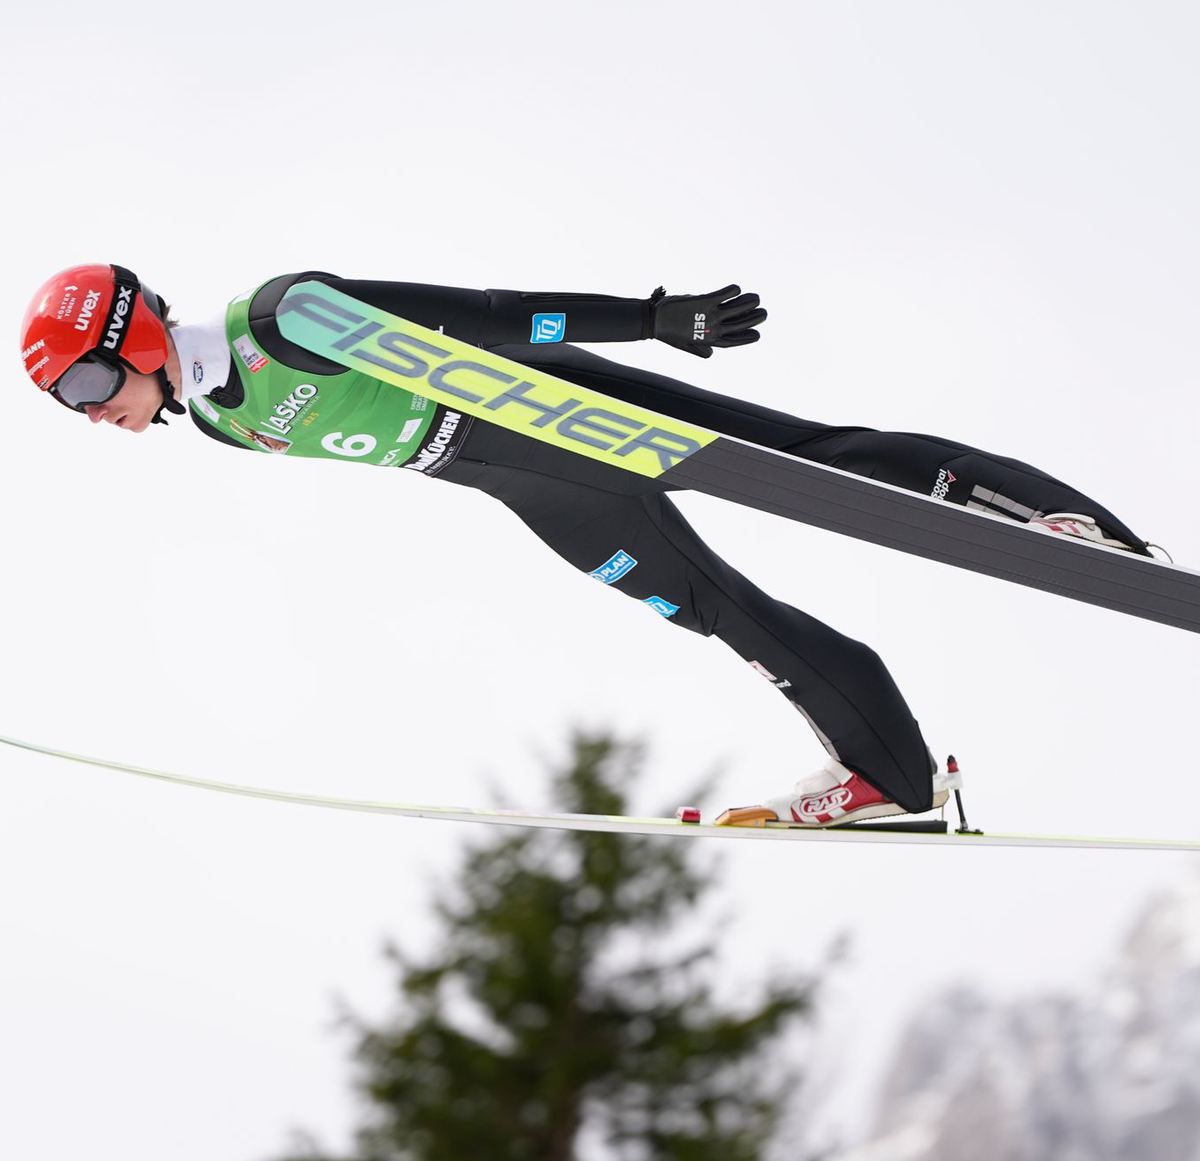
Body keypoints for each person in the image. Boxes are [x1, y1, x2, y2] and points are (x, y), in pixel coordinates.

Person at [19, 264, 1147, 828]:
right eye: (64, 402)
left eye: (83, 380)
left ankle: (1054, 521)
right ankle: (891, 775)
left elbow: (483, 316)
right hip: (510, 481)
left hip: (540, 408)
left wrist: (649, 318)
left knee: (806, 456)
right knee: (711, 609)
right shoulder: (215, 418)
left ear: (137, 333)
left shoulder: (283, 320)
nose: (87, 411)